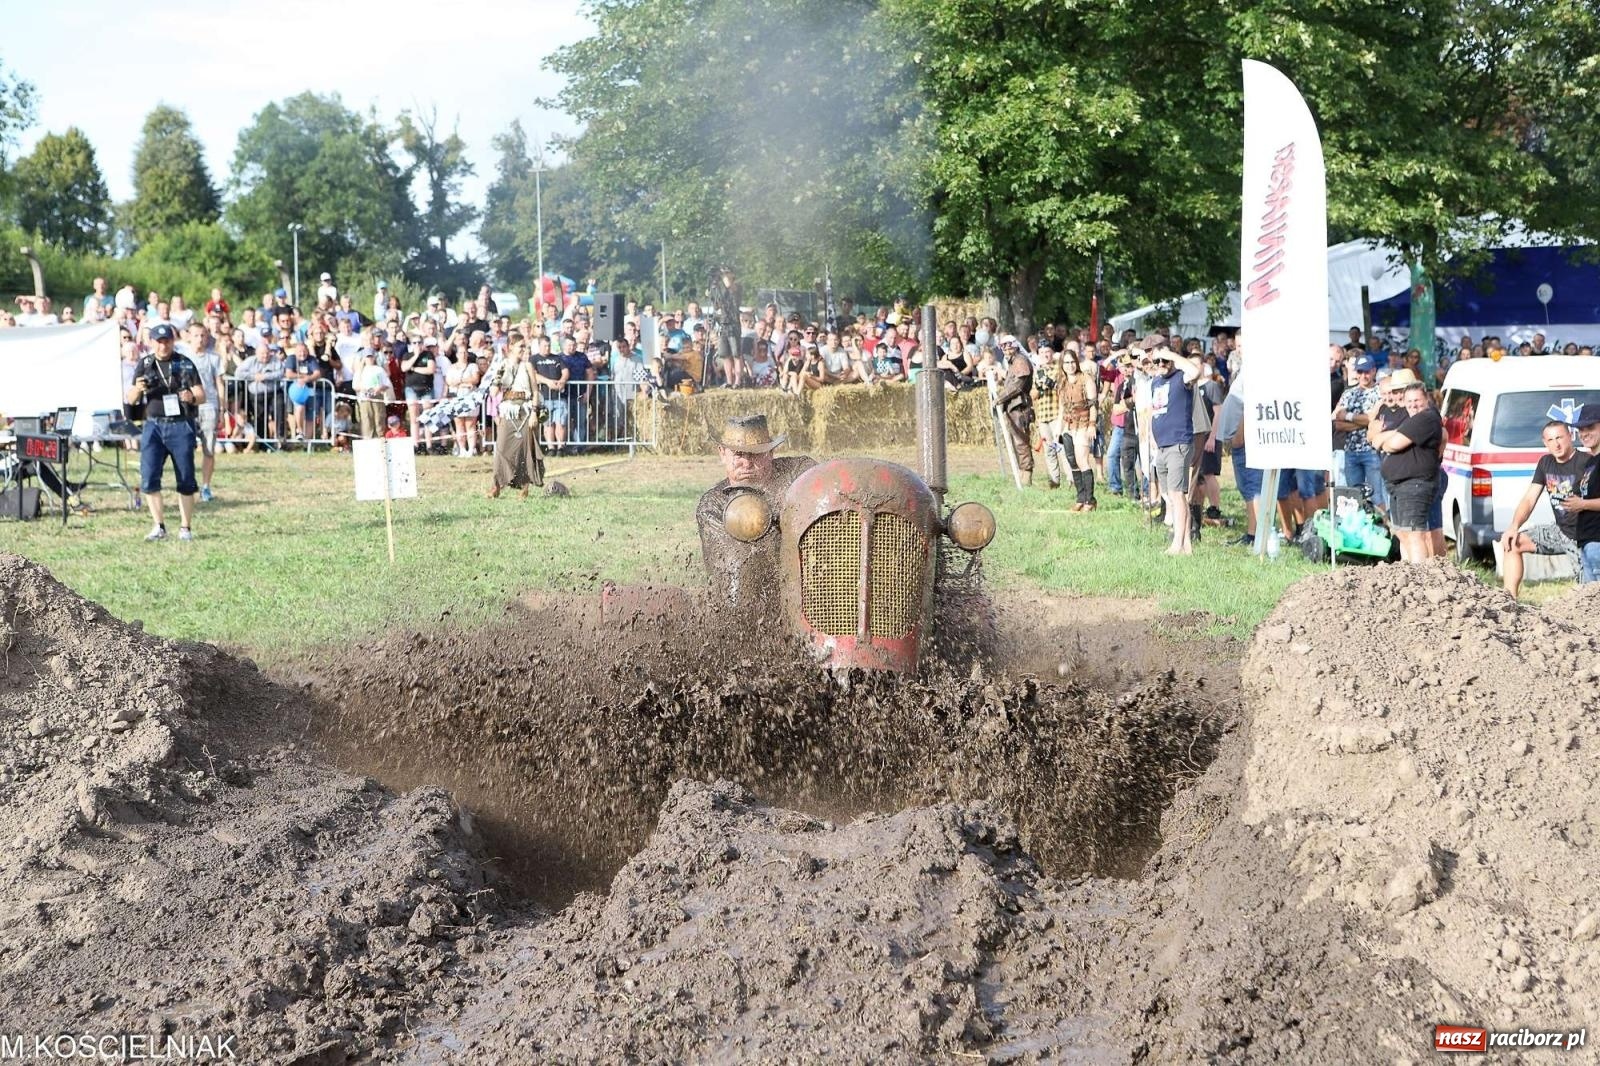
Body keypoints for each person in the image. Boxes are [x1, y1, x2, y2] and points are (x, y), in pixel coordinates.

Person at [695, 415, 816, 612]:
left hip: (806, 592)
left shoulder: (797, 472)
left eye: (756, 454)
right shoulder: (714, 506)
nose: (747, 463)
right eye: (738, 454)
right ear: (722, 454)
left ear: (771, 452)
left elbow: (821, 482)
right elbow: (732, 568)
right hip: (748, 603)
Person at [125, 324, 202, 541]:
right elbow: (131, 399)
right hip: (154, 425)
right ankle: (159, 526)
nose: (163, 345)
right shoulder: (145, 364)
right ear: (151, 342)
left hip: (180, 424)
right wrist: (139, 388)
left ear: (172, 341)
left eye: (167, 341)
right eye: (159, 342)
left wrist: (191, 397)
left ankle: (185, 527)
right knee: (149, 476)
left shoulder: (184, 363)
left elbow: (201, 394)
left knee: (186, 477)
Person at [1498, 421, 1589, 598]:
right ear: (1545, 442)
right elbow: (1529, 499)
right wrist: (1513, 527)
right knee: (1512, 542)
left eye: (1560, 438)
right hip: (1560, 531)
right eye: (1551, 440)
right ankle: (1509, 601)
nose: (1556, 444)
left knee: (1587, 592)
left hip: (1583, 536)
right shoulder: (1545, 463)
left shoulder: (1586, 462)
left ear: (1570, 436)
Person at [1368, 376, 1441, 562]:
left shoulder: (1426, 417)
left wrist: (1388, 439)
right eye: (1409, 402)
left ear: (1426, 399)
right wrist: (1393, 435)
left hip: (1414, 484)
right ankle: (1408, 573)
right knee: (1403, 533)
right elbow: (1374, 439)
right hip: (1398, 485)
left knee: (1414, 534)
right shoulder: (1409, 419)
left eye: (1417, 400)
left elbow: (1392, 445)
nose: (1413, 405)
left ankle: (1419, 575)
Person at [1145, 338, 1202, 553]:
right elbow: (1154, 412)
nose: (1161, 364)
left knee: (1178, 494)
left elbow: (1195, 372)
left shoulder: (1181, 377)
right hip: (1161, 445)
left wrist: (1172, 356)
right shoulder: (1155, 382)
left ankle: (1177, 543)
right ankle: (1186, 543)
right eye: (1157, 361)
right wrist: (1152, 438)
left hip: (1178, 443)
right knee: (1170, 495)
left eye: (1165, 360)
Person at [487, 338, 545, 498]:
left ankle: (524, 487)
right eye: (520, 346)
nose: (523, 349)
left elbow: (535, 391)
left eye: (525, 346)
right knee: (501, 448)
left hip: (525, 410)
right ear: (510, 347)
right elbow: (493, 392)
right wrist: (498, 378)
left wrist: (534, 412)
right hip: (508, 410)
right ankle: (497, 485)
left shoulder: (527, 366)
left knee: (525, 450)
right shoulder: (502, 365)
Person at [1561, 406, 1600, 584]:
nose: (1584, 433)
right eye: (1581, 429)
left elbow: (1584, 503)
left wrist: (1582, 504)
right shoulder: (1591, 462)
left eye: (1590, 427)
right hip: (1587, 541)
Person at [1057, 345, 1098, 509]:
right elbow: (1062, 408)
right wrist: (1058, 430)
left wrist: (1092, 425)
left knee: (1082, 460)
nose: (1070, 365)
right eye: (1066, 363)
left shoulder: (1086, 379)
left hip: (1083, 423)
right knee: (1072, 461)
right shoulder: (1062, 382)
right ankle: (1080, 498)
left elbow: (1093, 405)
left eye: (1072, 362)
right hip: (1068, 425)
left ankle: (1090, 500)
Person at [992, 337, 1035, 486]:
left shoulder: (1020, 361)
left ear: (1015, 347)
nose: (1006, 351)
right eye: (1003, 348)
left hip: (1019, 407)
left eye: (1008, 347)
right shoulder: (1013, 362)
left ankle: (1026, 476)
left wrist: (1000, 398)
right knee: (1016, 442)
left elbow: (1017, 386)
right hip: (1013, 407)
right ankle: (1021, 474)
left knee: (1021, 442)